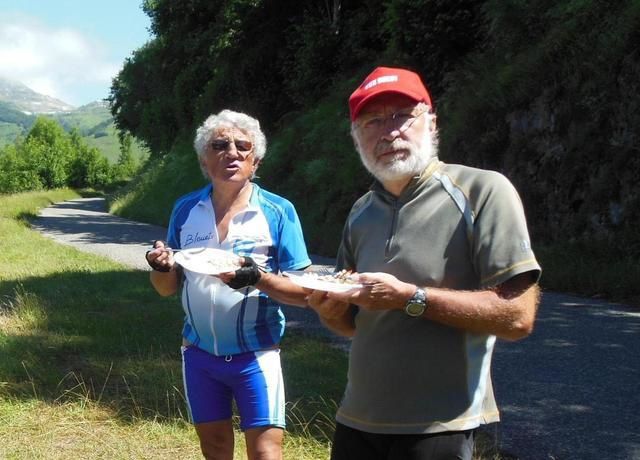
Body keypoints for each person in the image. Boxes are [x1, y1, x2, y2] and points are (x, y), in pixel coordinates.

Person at [306, 66, 542, 460]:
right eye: (372, 121)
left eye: (402, 115)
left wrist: (409, 298)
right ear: (356, 137)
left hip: (439, 425)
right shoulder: (361, 211)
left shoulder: (483, 191)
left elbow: (519, 316)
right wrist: (328, 310)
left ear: (431, 123)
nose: (389, 131)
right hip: (357, 419)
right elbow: (350, 324)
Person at [145, 109, 311, 460]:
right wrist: (160, 266)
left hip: (257, 354)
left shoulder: (279, 212)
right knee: (216, 449)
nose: (231, 152)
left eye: (242, 146)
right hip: (199, 354)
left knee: (266, 452)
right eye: (219, 145)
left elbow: (306, 295)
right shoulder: (185, 209)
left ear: (256, 161)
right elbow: (166, 288)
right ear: (205, 160)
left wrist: (257, 278)